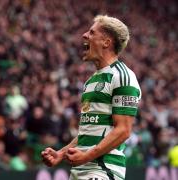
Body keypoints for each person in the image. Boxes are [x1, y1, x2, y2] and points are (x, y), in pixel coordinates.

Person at [41, 15, 141, 180]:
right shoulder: (91, 81)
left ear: (106, 42)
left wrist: (87, 156)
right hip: (81, 170)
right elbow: (88, 131)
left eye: (92, 32)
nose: (85, 35)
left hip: (103, 170)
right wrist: (61, 154)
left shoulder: (123, 76)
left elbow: (123, 130)